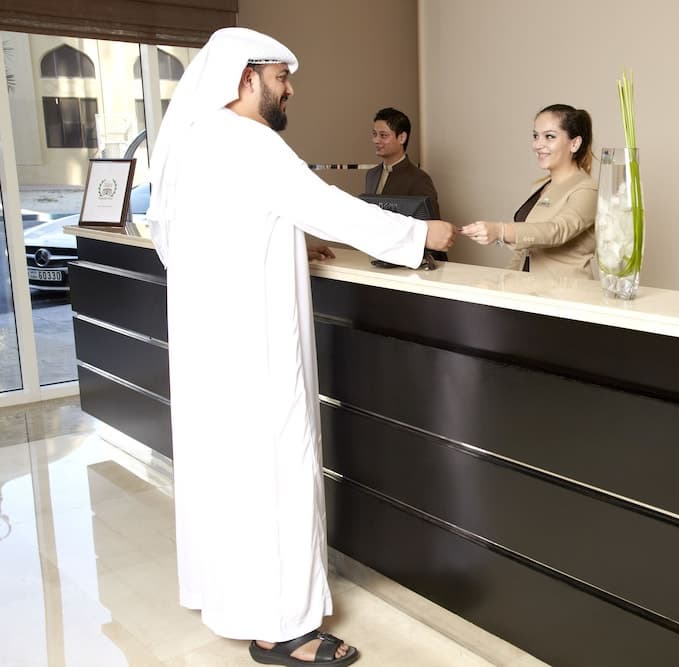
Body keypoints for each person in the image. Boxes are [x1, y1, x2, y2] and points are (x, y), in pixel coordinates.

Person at [146, 27, 454, 666]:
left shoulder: (193, 142)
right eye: (281, 77)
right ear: (246, 77)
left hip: (210, 346)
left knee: (227, 475)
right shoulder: (248, 140)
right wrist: (419, 234)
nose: (289, 90)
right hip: (255, 343)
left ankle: (233, 600)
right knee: (275, 473)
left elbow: (194, 231)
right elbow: (327, 205)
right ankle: (283, 629)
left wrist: (287, 239)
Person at [461, 104, 597, 279]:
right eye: (535, 136)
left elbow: (557, 231)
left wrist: (500, 231)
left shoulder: (587, 189)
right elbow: (524, 253)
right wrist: (502, 283)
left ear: (575, 143)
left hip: (564, 292)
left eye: (549, 136)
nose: (537, 145)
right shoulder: (541, 187)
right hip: (530, 289)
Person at [365, 107, 445, 260]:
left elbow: (433, 231)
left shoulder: (419, 179)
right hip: (377, 257)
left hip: (408, 261)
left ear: (401, 138)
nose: (376, 140)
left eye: (383, 135)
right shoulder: (371, 175)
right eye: (374, 134)